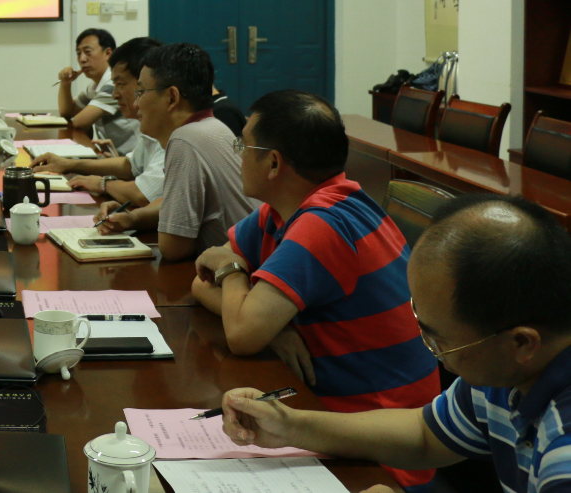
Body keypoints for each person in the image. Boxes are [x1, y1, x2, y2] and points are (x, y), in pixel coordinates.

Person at [219, 195, 571, 493]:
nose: (436, 355)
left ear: (522, 343)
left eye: (441, 342)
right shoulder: (504, 368)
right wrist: (289, 425)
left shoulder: (564, 449)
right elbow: (425, 434)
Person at [192, 90, 439, 489]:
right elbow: (202, 282)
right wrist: (273, 325)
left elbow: (241, 332)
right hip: (332, 417)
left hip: (381, 452)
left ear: (273, 163)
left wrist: (233, 272)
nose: (239, 156)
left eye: (243, 146)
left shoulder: (323, 224)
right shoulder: (286, 209)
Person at [96, 43, 257, 262]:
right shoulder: (213, 127)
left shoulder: (185, 140)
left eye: (141, 92)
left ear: (171, 97)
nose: (136, 102)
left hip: (240, 272)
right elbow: (176, 203)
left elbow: (173, 248)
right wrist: (133, 218)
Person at [32, 38, 166, 210]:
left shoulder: (177, 134)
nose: (115, 94)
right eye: (78, 53)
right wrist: (67, 164)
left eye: (121, 84)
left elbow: (143, 196)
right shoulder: (155, 127)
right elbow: (129, 165)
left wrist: (103, 184)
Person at [54, 28, 139, 154]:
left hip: (130, 157)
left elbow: (77, 122)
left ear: (108, 53)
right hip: (113, 153)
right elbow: (67, 112)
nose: (82, 59)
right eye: (78, 53)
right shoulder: (95, 85)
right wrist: (66, 83)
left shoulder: (113, 84)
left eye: (88, 52)